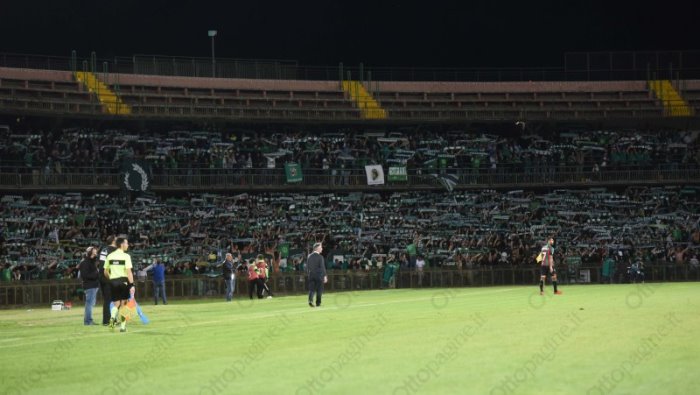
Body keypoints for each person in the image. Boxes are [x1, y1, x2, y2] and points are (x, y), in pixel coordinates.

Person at [103, 237, 135, 333]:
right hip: (123, 281)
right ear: (122, 245)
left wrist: (111, 278)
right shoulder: (126, 256)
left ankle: (112, 319)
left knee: (115, 304)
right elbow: (129, 272)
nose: (128, 245)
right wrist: (132, 285)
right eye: (126, 243)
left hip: (113, 281)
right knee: (123, 305)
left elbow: (105, 271)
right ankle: (123, 327)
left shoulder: (110, 256)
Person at [97, 235, 117, 326]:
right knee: (112, 300)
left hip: (103, 277)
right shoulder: (116, 251)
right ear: (113, 241)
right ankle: (108, 320)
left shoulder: (103, 250)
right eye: (116, 239)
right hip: (110, 277)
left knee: (108, 300)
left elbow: (101, 266)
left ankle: (109, 319)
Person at [78, 246, 99, 325]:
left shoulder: (91, 261)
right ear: (90, 252)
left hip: (93, 285)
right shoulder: (84, 262)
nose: (96, 252)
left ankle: (89, 320)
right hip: (89, 286)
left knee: (91, 304)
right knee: (89, 304)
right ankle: (88, 321)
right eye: (94, 251)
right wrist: (96, 274)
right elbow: (84, 275)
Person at [306, 242, 327, 307]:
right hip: (319, 275)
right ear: (317, 248)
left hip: (311, 275)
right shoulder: (320, 257)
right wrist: (325, 276)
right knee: (319, 290)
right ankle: (318, 303)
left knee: (311, 289)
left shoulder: (309, 256)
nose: (322, 249)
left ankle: (310, 301)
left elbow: (307, 267)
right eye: (321, 247)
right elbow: (322, 267)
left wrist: (308, 274)